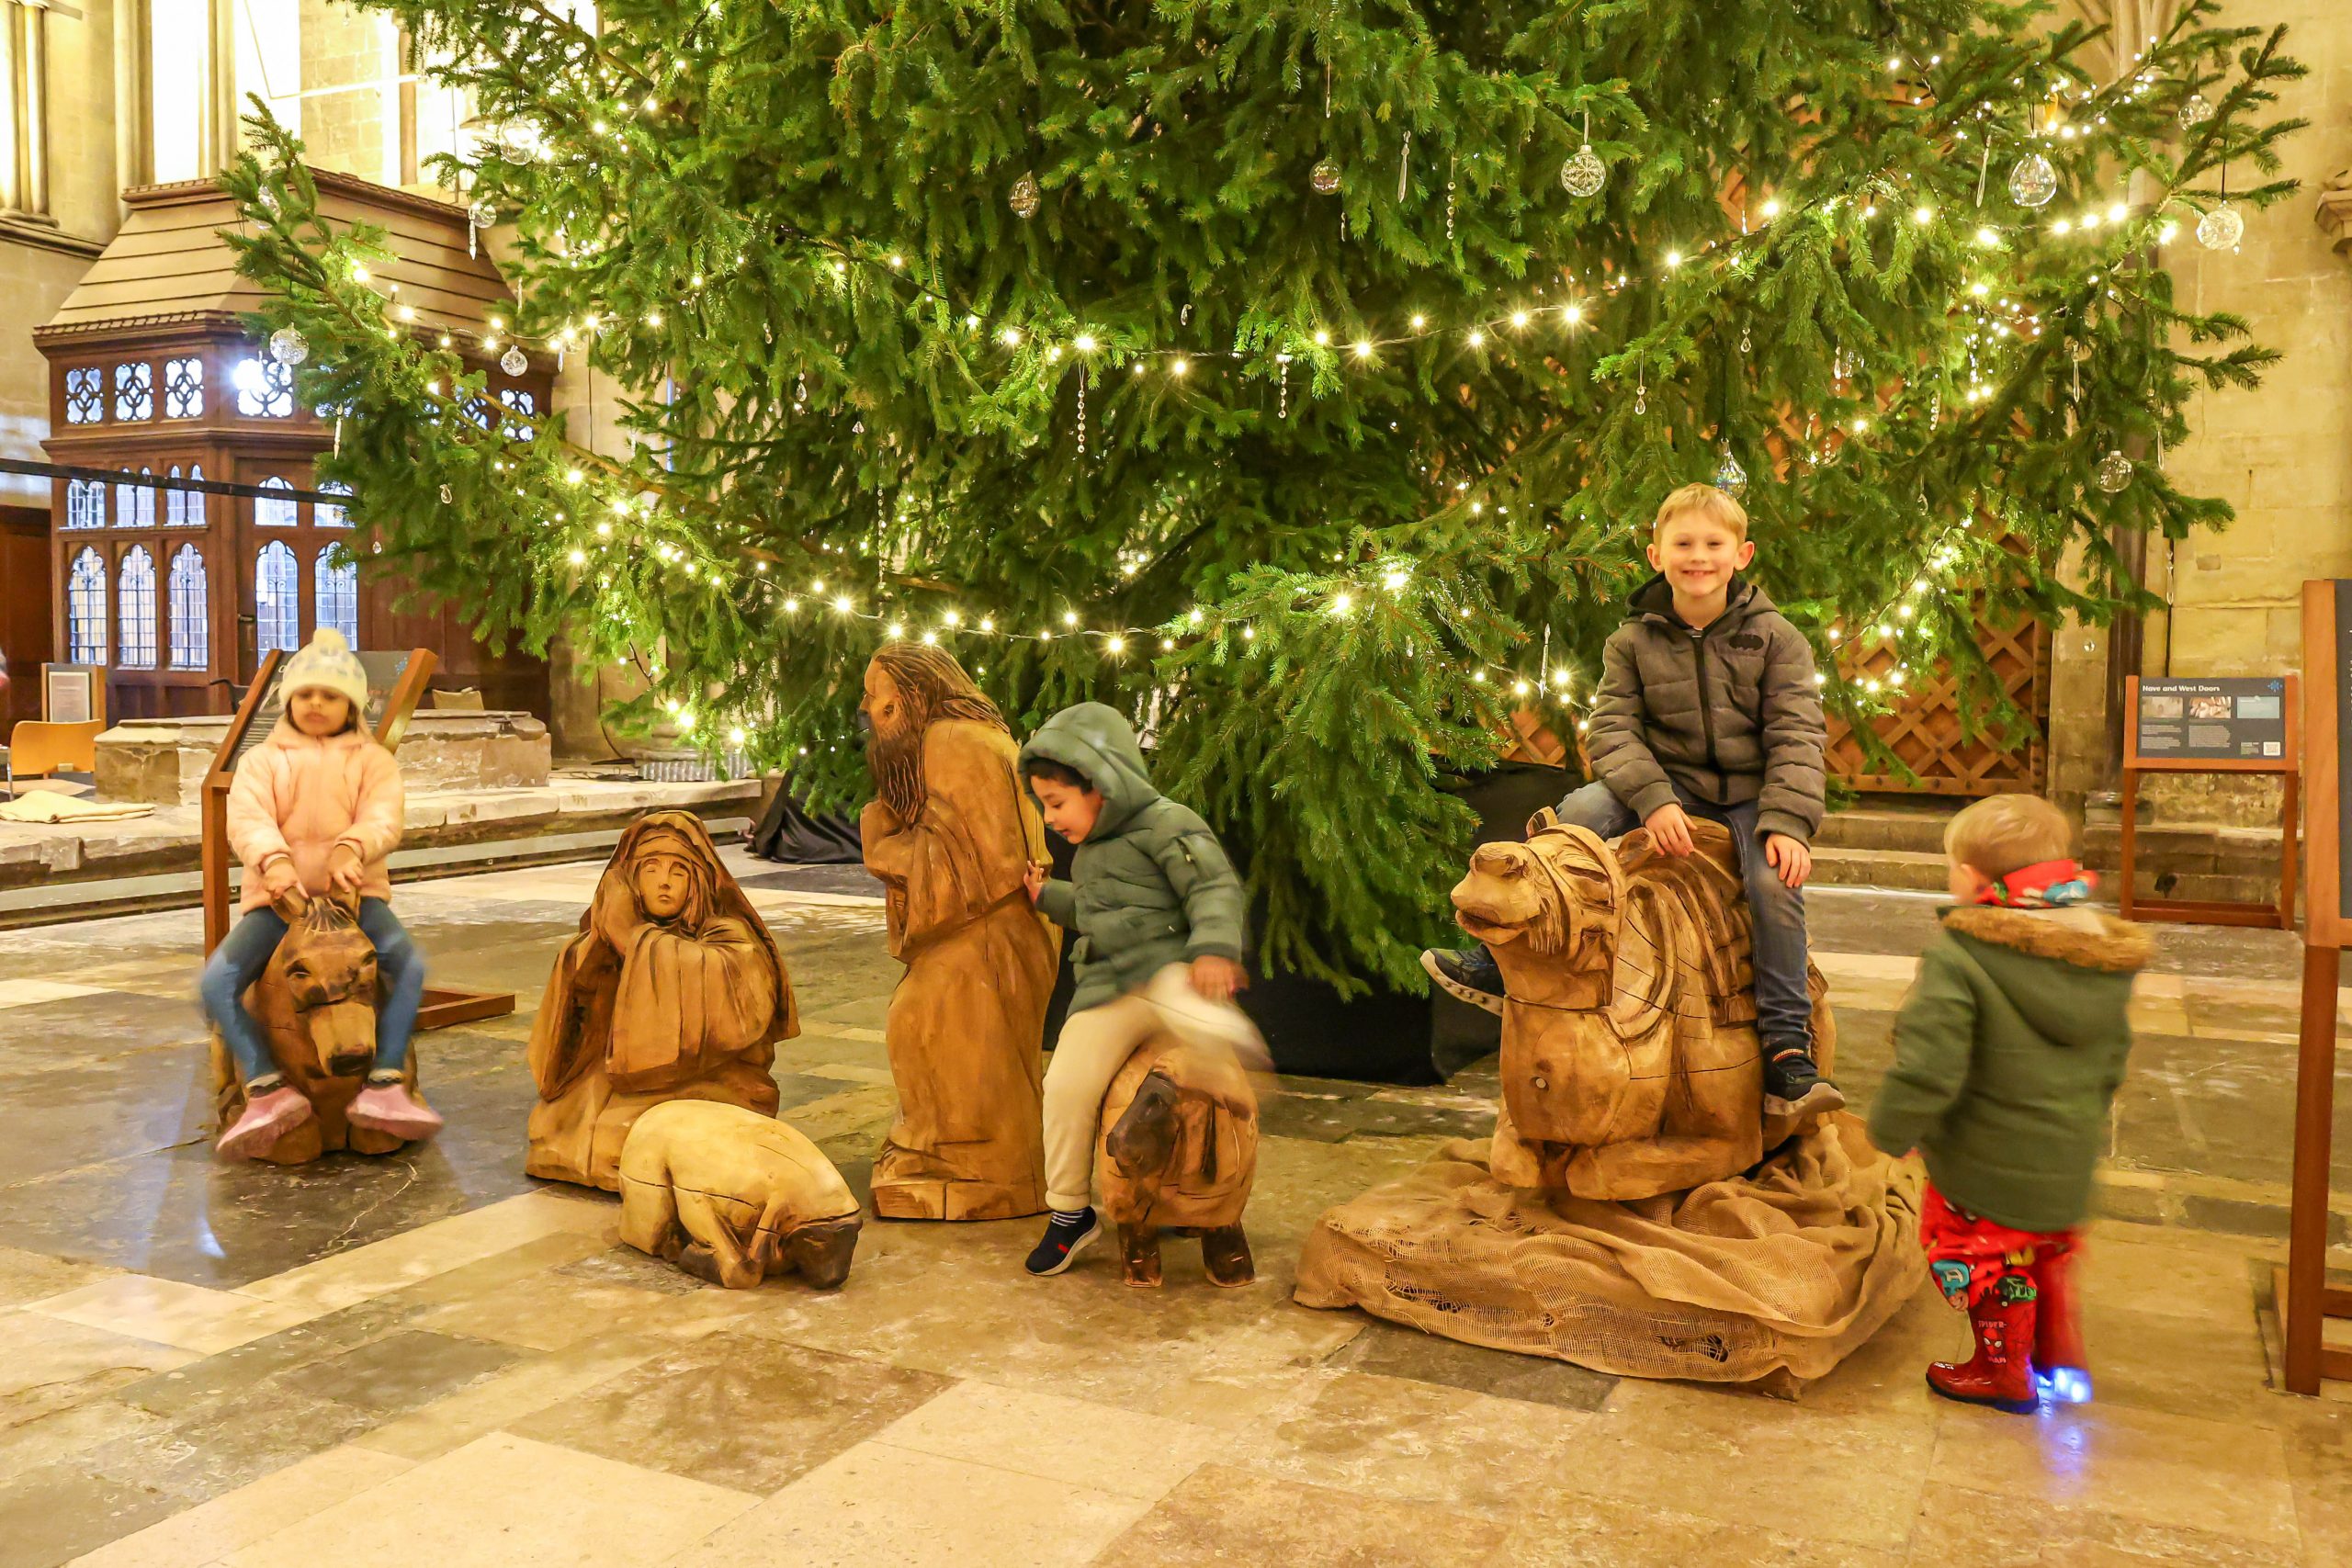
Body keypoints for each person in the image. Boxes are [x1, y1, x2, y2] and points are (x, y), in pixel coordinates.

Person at [1422, 481, 1838, 1118]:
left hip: (1752, 794)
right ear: (1655, 555)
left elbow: (1798, 734)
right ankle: (1493, 961)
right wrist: (1655, 799)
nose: (1698, 556)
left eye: (1713, 543)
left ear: (1742, 554)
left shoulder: (1776, 639)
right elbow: (1613, 728)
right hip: (1663, 781)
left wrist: (1787, 822)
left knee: (1773, 885)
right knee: (1576, 818)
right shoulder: (1632, 641)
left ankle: (1786, 1044)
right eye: (1683, 543)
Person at [1867, 794, 2149, 1413]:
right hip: (2065, 1161)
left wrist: (1887, 1131)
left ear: (1970, 877)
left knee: (1992, 1264)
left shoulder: (1961, 955)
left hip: (1983, 1165)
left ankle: (2002, 1370)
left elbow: (1930, 1065)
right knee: (2045, 1255)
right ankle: (2058, 1358)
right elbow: (2111, 1061)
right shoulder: (2098, 954)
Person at [1015, 702, 1255, 1277]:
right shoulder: (1092, 849)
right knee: (1066, 1084)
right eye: (1044, 806)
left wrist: (1215, 949)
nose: (1051, 819)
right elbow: (1095, 910)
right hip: (1109, 988)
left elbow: (1212, 887)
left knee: (1208, 1029)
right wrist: (1045, 897)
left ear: (1102, 784)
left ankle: (1220, 1179)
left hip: (1167, 969)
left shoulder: (1168, 823)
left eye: (1056, 803)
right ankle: (1070, 1212)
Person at [201, 628, 438, 1159]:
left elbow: (384, 817)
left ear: (351, 705)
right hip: (279, 904)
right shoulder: (263, 760)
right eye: (305, 693)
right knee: (218, 981)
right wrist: (273, 861)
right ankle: (264, 1086)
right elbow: (247, 816)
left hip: (354, 901)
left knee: (409, 966)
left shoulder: (372, 761)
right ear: (289, 701)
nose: (315, 703)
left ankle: (386, 1080)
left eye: (329, 695)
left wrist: (353, 848)